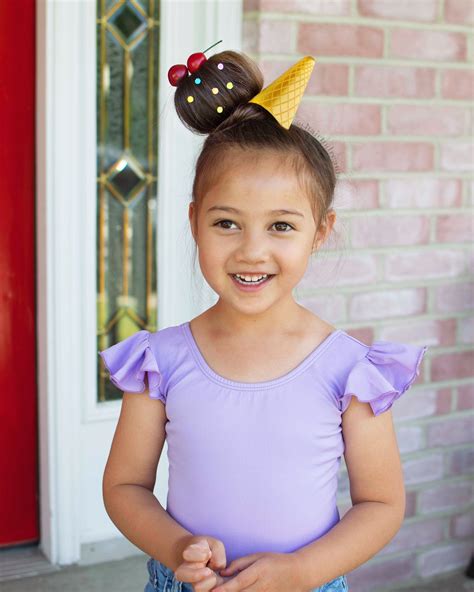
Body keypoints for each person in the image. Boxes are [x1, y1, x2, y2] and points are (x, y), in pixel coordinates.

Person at [99, 47, 429, 592]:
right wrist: (176, 547)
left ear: (320, 231)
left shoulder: (351, 371)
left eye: (281, 226)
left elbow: (382, 502)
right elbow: (125, 487)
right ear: (194, 222)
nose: (252, 251)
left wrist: (304, 570)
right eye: (227, 222)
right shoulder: (160, 362)